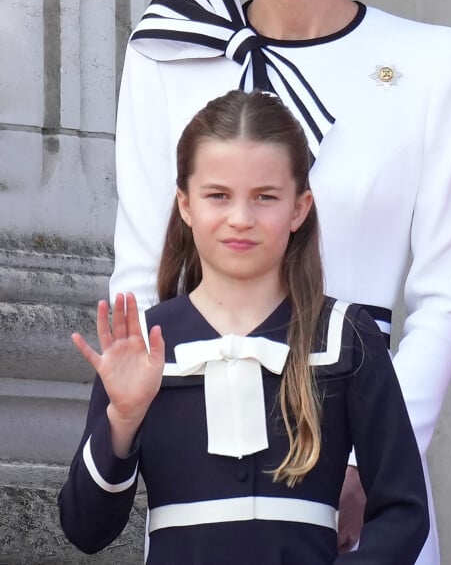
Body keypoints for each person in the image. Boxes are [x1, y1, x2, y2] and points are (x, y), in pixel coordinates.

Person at [110, 0, 451, 564]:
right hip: (205, 461)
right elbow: (141, 275)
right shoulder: (170, 59)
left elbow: (445, 294)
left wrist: (371, 458)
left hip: (368, 470)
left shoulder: (434, 62)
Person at [59, 90, 429, 563]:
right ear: (186, 205)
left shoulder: (345, 335)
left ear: (299, 207)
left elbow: (404, 510)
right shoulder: (145, 345)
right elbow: (85, 529)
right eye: (218, 196)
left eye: (265, 197)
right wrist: (122, 421)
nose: (240, 219)